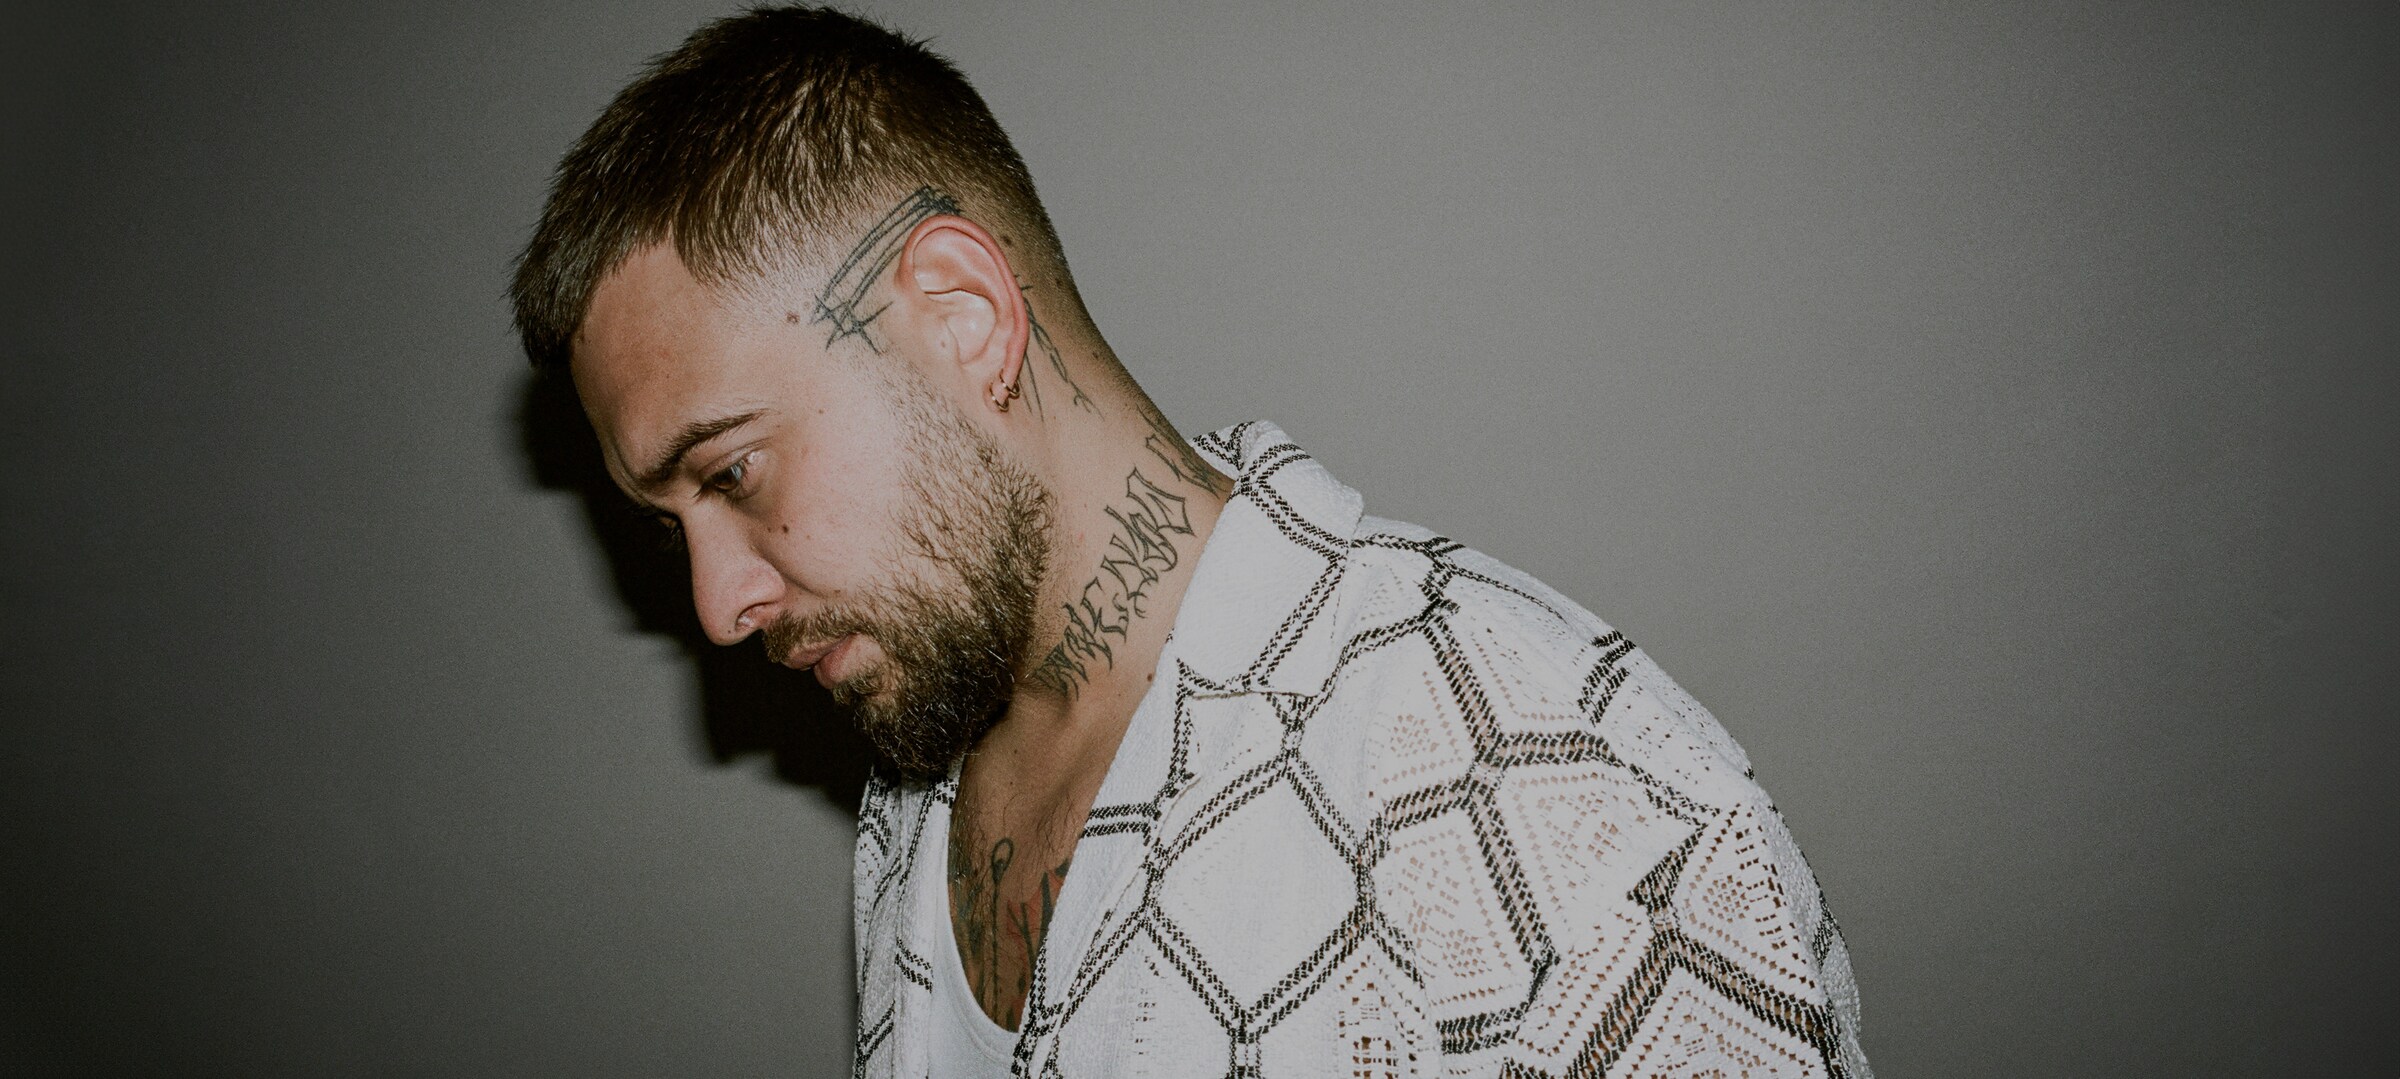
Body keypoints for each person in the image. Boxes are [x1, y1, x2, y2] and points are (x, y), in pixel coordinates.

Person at [511, 7, 1869, 1077]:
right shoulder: (920, 776)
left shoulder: (1552, 801)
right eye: (670, 526)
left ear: (962, 317)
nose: (717, 606)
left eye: (733, 472)